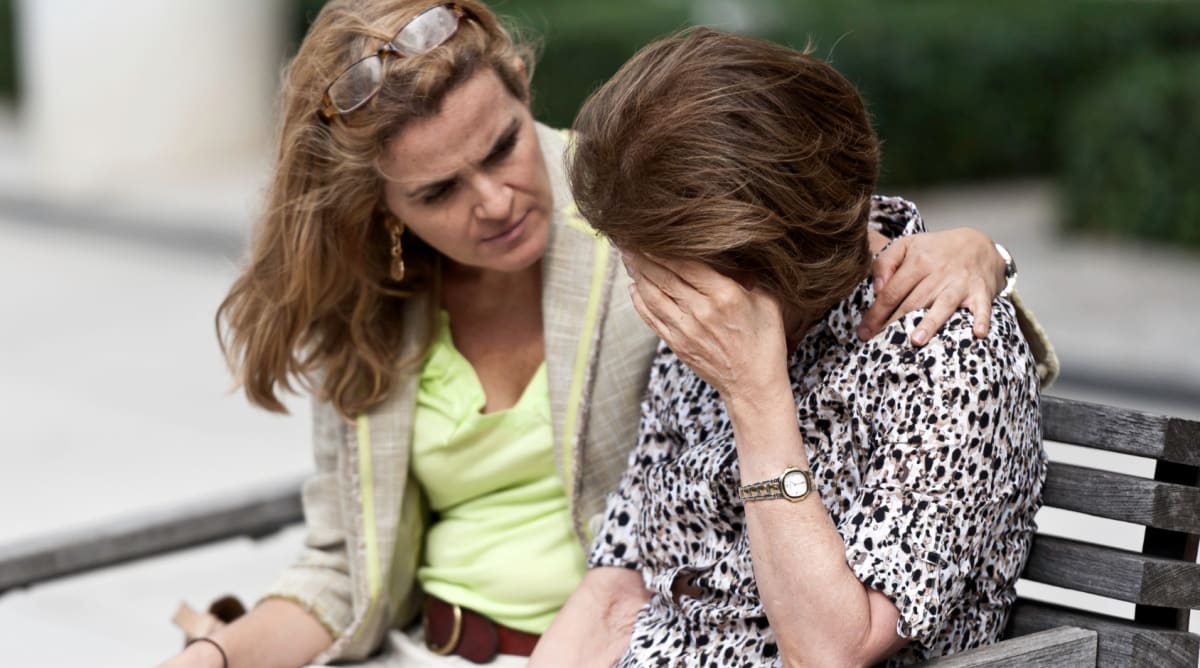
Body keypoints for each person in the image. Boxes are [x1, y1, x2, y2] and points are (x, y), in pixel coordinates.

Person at [157, 2, 1044, 667]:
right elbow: (612, 575)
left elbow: (828, 229)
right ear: (383, 208)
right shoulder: (396, 299)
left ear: (523, 91)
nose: (497, 201)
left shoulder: (653, 223)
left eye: (502, 147)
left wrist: (983, 254)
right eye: (436, 192)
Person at [532, 28, 1049, 667]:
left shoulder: (949, 354)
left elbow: (830, 651)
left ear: (775, 266)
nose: (650, 300)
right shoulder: (702, 329)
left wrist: (757, 397)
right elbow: (617, 587)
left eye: (664, 278)